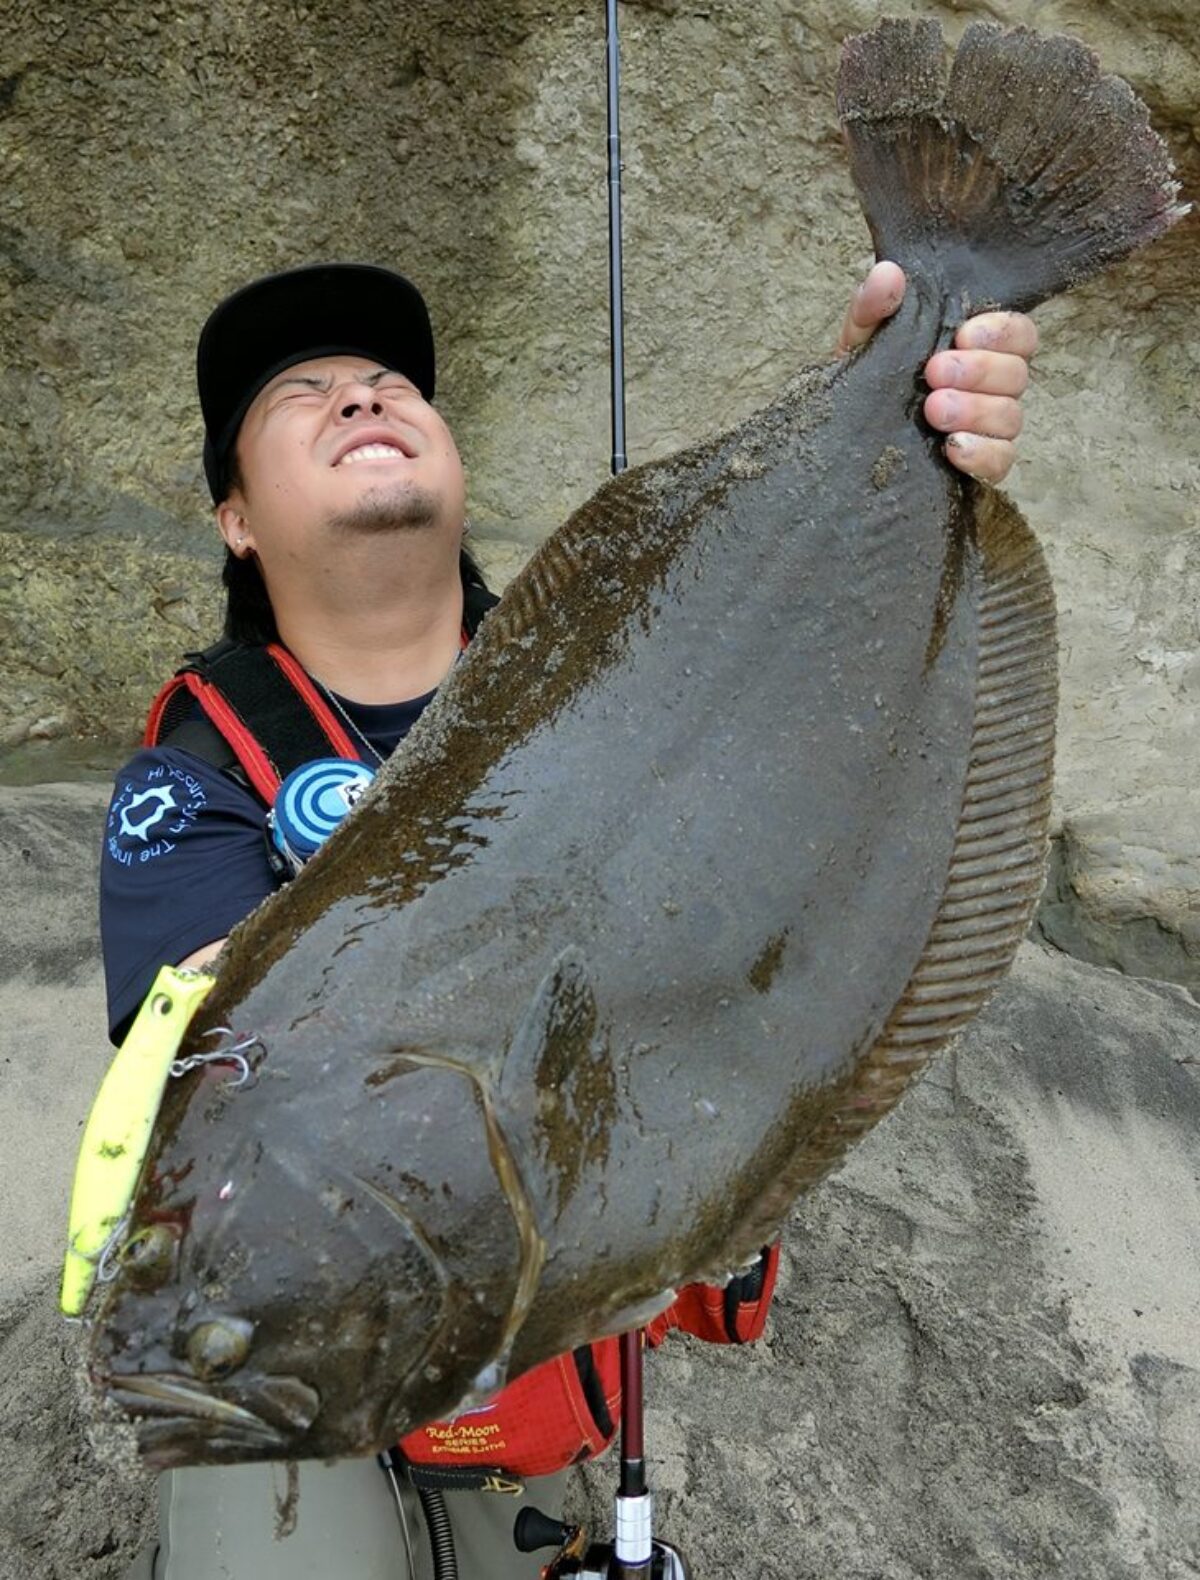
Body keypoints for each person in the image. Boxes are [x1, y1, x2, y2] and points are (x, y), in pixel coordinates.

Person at [101, 259, 1037, 1579]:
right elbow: (215, 1078)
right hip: (299, 1350)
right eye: (300, 396)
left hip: (527, 1358)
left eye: (389, 384)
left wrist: (889, 410)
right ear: (237, 518)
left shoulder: (618, 653)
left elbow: (812, 744)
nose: (361, 397)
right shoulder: (193, 775)